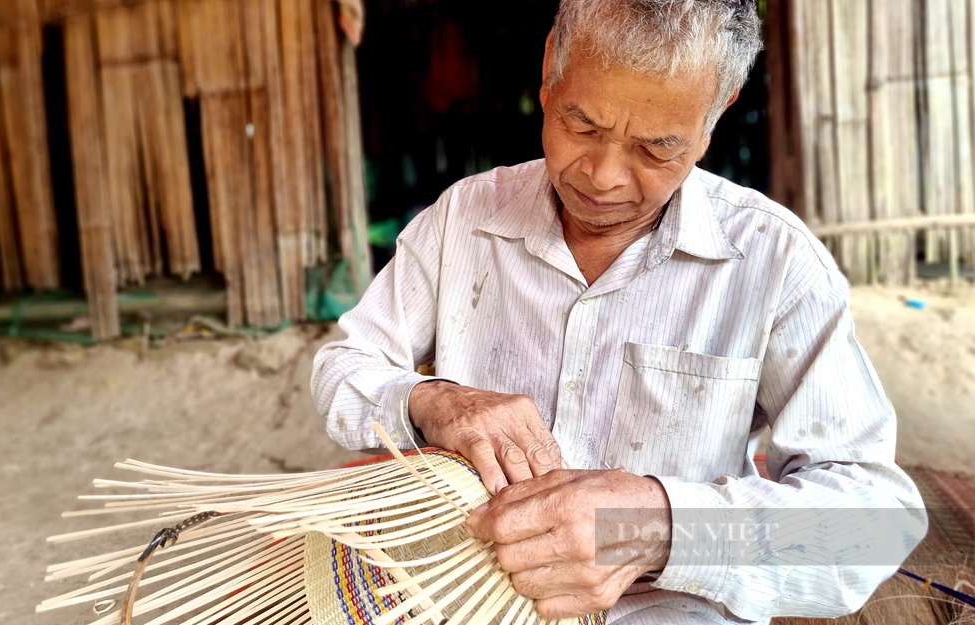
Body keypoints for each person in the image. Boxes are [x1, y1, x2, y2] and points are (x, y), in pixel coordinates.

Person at [311, 1, 928, 623]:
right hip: (467, 595)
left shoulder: (776, 261)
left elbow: (874, 525)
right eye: (581, 126)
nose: (603, 177)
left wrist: (659, 529)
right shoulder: (464, 220)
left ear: (718, 110)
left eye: (656, 149)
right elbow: (343, 367)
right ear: (551, 64)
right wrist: (434, 401)